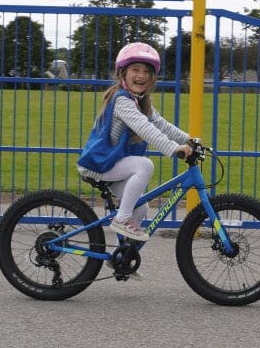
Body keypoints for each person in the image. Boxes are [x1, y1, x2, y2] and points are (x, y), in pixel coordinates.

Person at [77, 42, 193, 242]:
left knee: (141, 206)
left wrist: (190, 140)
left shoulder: (141, 102)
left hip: (111, 164)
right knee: (144, 165)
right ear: (123, 73)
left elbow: (161, 125)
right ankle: (121, 220)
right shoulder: (122, 100)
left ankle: (121, 258)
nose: (141, 75)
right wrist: (174, 149)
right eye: (135, 70)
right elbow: (145, 128)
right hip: (99, 164)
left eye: (147, 71)